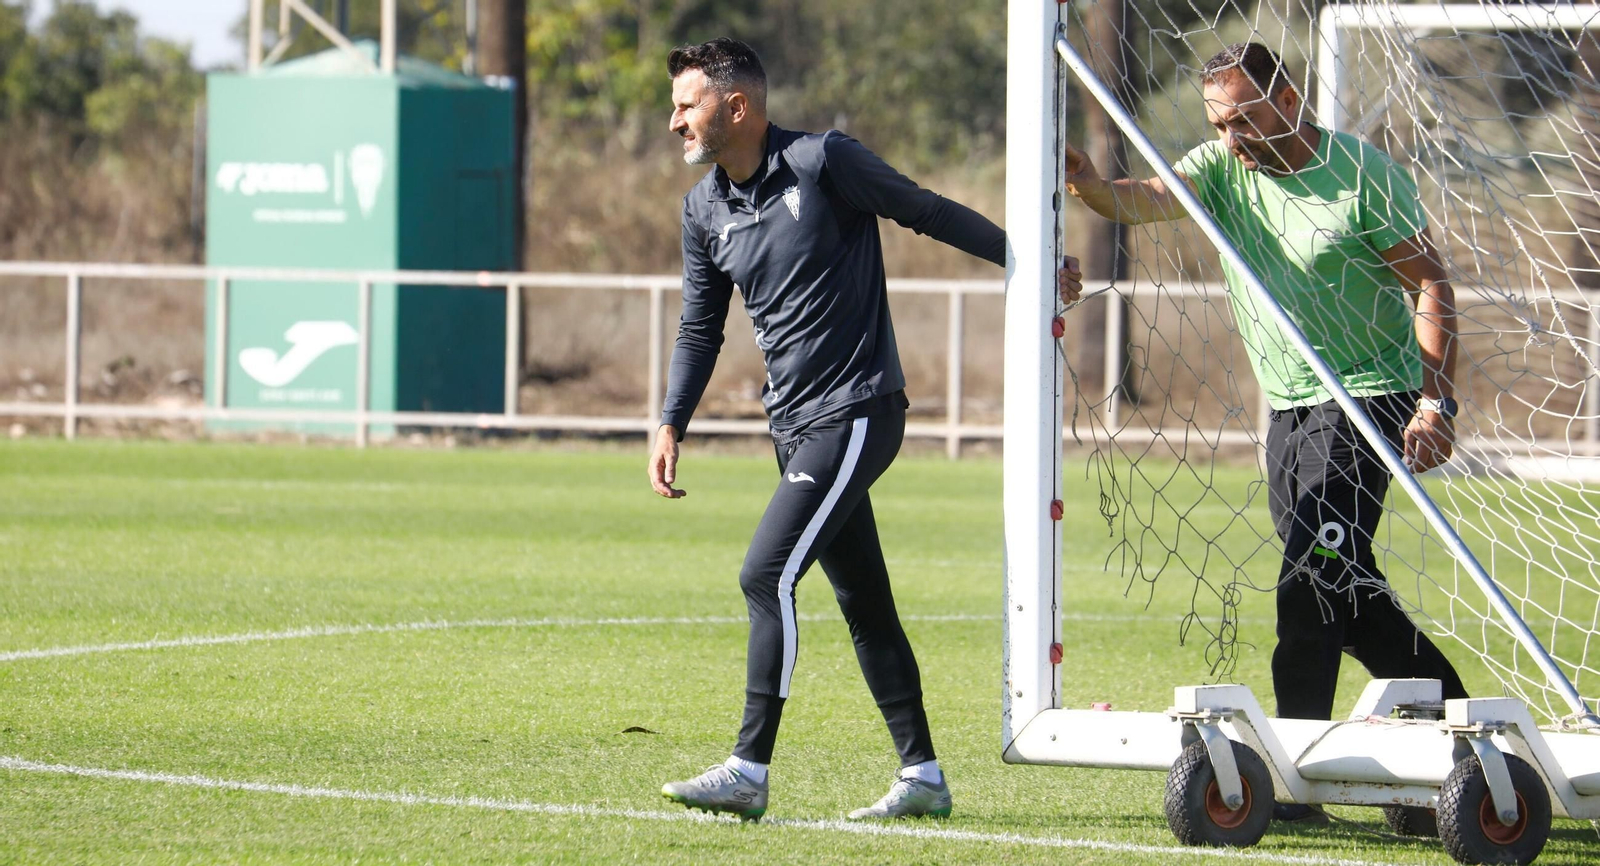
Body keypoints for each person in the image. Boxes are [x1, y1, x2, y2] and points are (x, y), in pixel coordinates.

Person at [650, 37, 1081, 822]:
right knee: (865, 604)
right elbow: (699, 327)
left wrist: (1037, 260)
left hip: (856, 412)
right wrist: (671, 420)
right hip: (794, 426)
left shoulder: (823, 162)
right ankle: (923, 776)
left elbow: (925, 209)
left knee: (764, 574)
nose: (674, 121)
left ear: (736, 107)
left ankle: (748, 767)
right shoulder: (703, 208)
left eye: (687, 105)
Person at [1059, 41, 1468, 822]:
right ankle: (1458, 724)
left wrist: (1435, 403)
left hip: (1371, 398)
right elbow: (1146, 197)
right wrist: (1086, 184)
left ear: (1288, 99)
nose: (1231, 136)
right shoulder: (1221, 166)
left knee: (1307, 582)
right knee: (1342, 584)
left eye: (1244, 117)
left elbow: (1431, 284)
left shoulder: (1360, 177)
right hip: (1288, 408)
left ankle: (1293, 774)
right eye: (1219, 122)